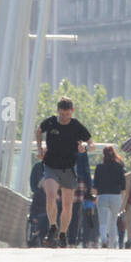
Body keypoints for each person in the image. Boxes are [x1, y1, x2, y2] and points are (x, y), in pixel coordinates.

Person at [37, 98, 92, 247]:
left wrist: (84, 148)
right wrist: (39, 148)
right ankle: (53, 226)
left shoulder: (76, 126)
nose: (64, 118)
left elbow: (91, 143)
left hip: (68, 169)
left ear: (72, 111)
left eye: (67, 114)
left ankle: (62, 234)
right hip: (51, 166)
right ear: (57, 111)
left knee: (68, 206)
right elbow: (39, 130)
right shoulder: (51, 122)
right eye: (61, 114)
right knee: (50, 196)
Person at [93, 146, 126, 248]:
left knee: (102, 221)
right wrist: (122, 201)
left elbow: (95, 186)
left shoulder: (99, 167)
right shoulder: (119, 167)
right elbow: (123, 187)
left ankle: (103, 239)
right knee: (113, 221)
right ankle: (113, 243)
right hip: (116, 197)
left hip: (102, 196)